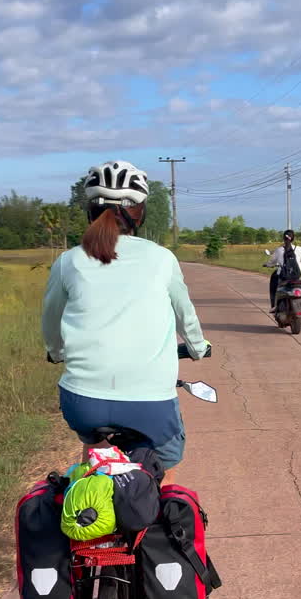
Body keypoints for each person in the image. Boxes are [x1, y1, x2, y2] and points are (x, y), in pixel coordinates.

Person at [42, 160, 209, 470]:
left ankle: (87, 490)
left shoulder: (68, 260)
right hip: (151, 403)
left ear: (90, 212)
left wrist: (55, 352)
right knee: (165, 464)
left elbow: (51, 319)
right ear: (139, 214)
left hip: (82, 404)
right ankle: (159, 498)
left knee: (94, 450)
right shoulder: (162, 258)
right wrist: (198, 348)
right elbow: (185, 315)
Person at [264, 230, 301, 312]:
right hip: (297, 277)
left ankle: (274, 306)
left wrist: (268, 265)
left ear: (283, 238)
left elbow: (271, 262)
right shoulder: (299, 249)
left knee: (274, 287)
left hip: (284, 277)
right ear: (293, 239)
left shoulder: (279, 250)